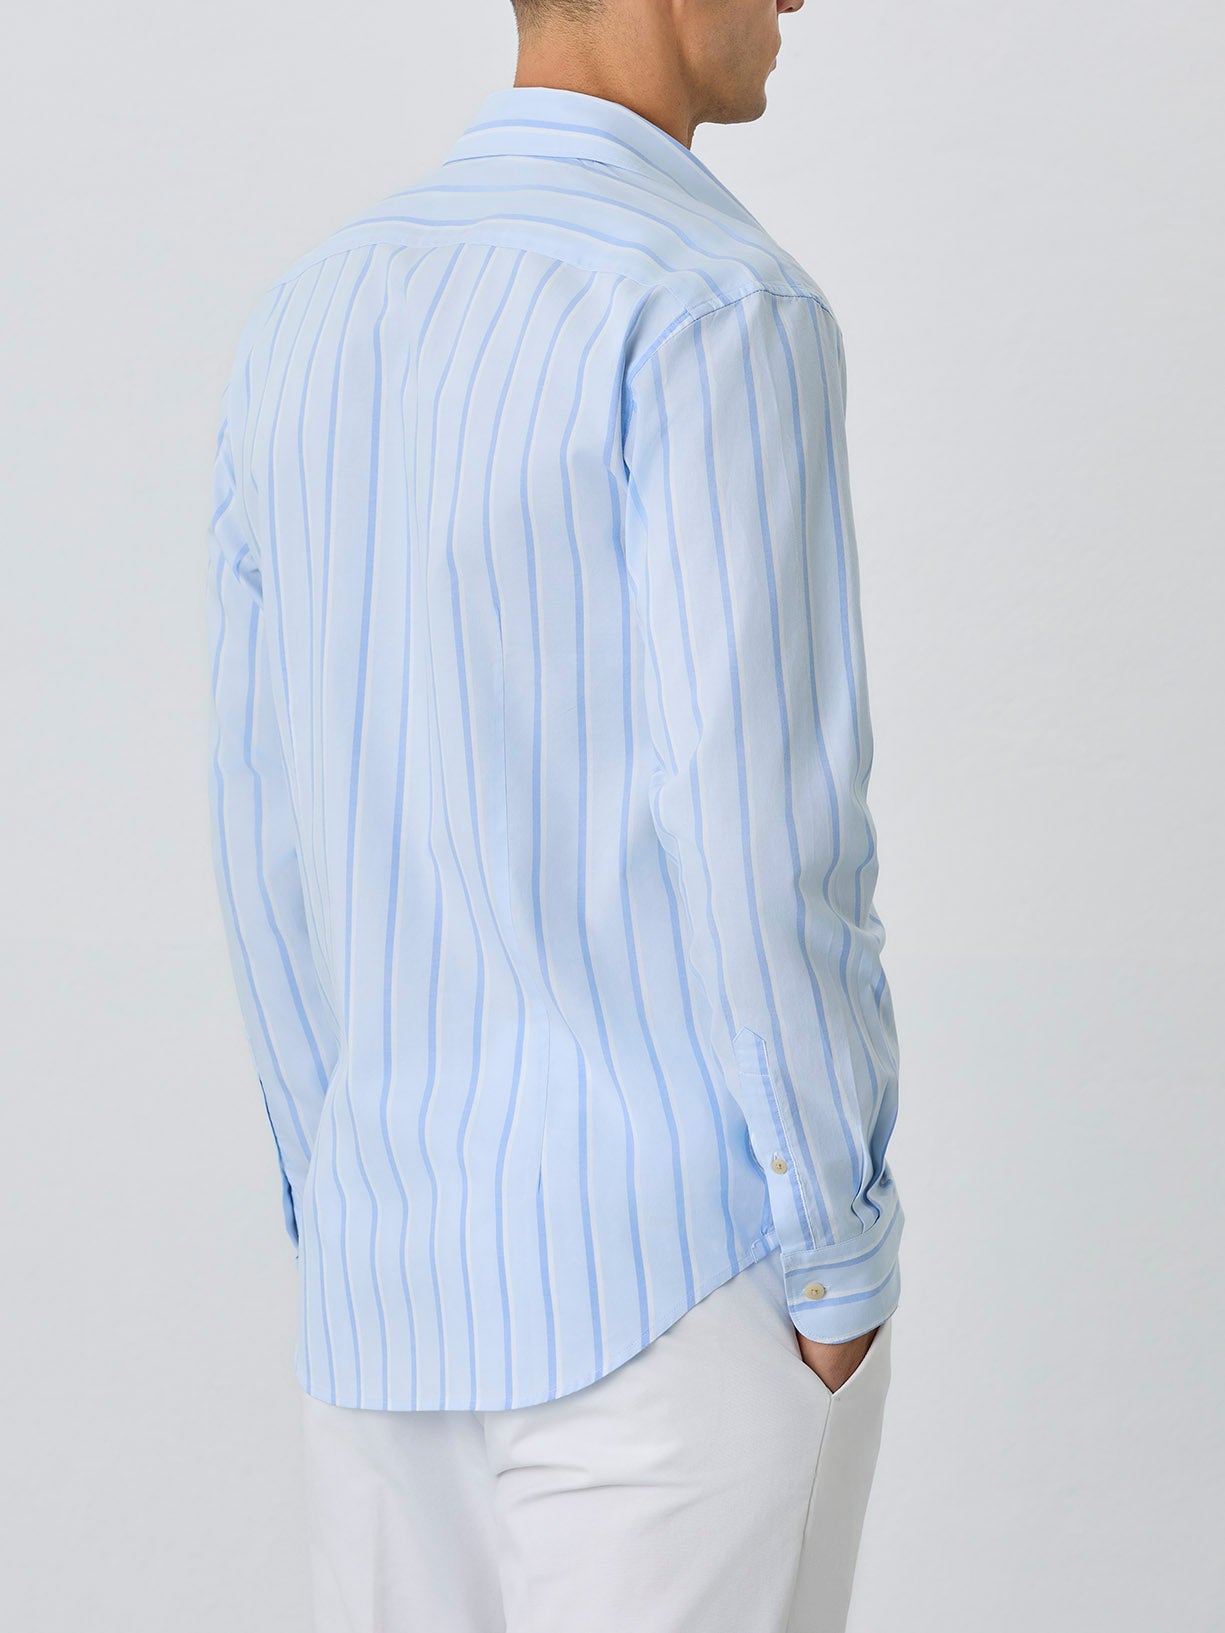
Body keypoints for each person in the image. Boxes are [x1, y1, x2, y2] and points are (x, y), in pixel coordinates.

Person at [205, 1, 904, 1627]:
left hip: (386, 1289)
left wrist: (340, 1198)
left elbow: (260, 823)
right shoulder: (716, 302)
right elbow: (767, 841)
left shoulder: (310, 313)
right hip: (677, 1292)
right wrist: (836, 1251)